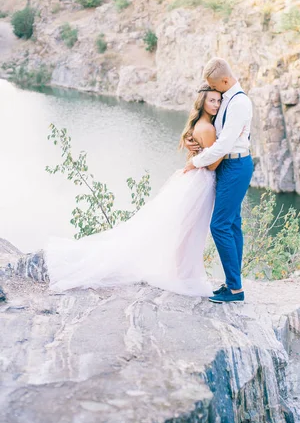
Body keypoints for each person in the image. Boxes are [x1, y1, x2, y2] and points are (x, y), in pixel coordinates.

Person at [45, 85, 222, 297]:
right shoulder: (209, 129)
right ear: (202, 101)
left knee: (185, 228)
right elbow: (212, 165)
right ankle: (185, 275)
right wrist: (226, 146)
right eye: (212, 100)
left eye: (219, 101)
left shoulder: (199, 125)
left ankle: (183, 272)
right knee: (192, 230)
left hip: (193, 180)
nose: (216, 105)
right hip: (201, 181)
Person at [183, 57, 253, 304]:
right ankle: (234, 283)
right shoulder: (228, 99)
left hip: (236, 165)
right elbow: (214, 128)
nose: (216, 93)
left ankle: (234, 289)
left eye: (217, 87)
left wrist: (196, 162)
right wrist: (193, 140)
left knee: (220, 225)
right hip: (228, 164)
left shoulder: (239, 102)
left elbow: (224, 143)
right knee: (232, 224)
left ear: (225, 80)